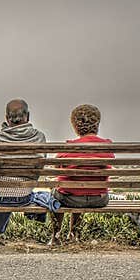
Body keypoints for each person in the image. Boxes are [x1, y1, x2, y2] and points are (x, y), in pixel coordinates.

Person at [0, 99, 47, 246]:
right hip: (24, 197)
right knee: (12, 187)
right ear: (28, 116)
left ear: (7, 118)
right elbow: (40, 168)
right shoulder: (39, 138)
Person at [50, 104, 113, 244]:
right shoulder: (107, 146)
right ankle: (74, 233)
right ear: (97, 124)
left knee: (58, 193)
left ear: (75, 126)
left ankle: (56, 235)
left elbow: (56, 166)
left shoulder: (69, 147)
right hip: (99, 199)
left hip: (71, 199)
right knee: (82, 188)